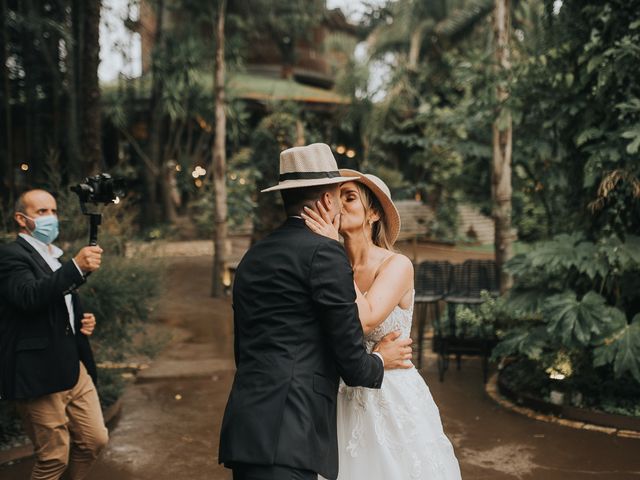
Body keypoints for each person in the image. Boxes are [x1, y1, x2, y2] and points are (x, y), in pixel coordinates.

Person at [218, 143, 413, 480]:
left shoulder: (253, 257)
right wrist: (380, 360)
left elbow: (244, 350)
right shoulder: (324, 254)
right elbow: (352, 361)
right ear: (326, 201)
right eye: (340, 195)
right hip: (291, 431)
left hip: (246, 426)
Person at [302, 170, 462, 479]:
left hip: (390, 395)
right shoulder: (325, 265)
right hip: (338, 394)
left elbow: (365, 318)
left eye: (350, 198)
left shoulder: (397, 265)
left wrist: (332, 253)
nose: (339, 205)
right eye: (336, 198)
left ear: (373, 213)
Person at [0, 189, 108, 480]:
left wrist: (80, 320)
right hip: (38, 370)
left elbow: (58, 300)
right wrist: (75, 267)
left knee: (94, 440)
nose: (51, 218)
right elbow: (27, 296)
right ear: (22, 219)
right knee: (53, 459)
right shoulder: (10, 255)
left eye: (54, 211)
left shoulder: (53, 256)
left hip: (72, 362)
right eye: (42, 212)